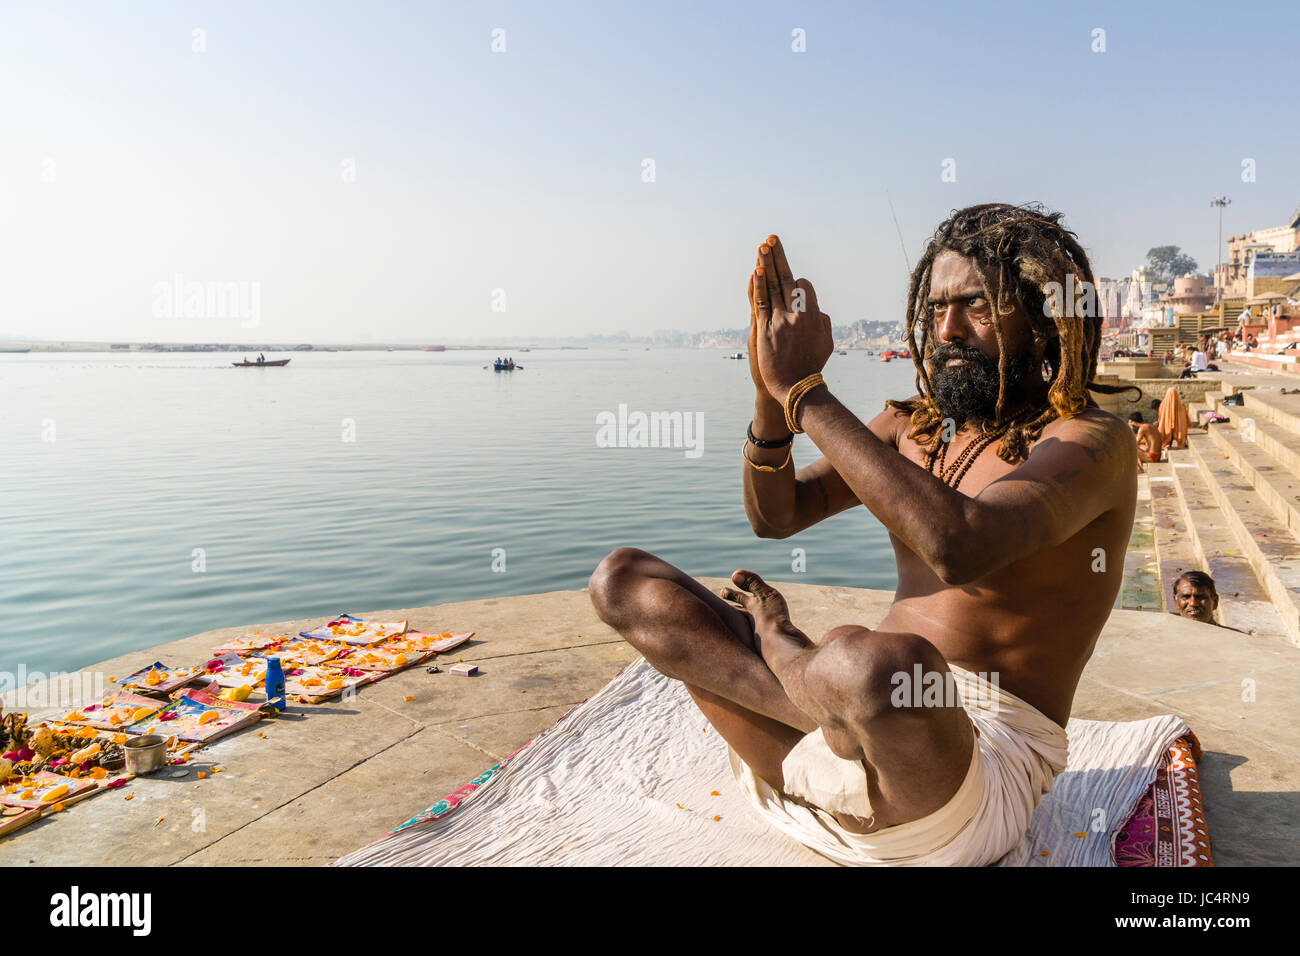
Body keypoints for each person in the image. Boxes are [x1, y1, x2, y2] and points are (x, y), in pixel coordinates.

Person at [589, 204, 1138, 866]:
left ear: (1044, 320)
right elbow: (777, 516)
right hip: (833, 746)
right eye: (935, 309)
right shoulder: (916, 429)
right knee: (625, 582)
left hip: (962, 784)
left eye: (977, 308)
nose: (947, 330)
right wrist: (771, 394)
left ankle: (791, 657)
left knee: (876, 662)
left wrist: (808, 393)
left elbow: (960, 545)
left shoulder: (1090, 443)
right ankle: (824, 714)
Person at [1171, 571, 1244, 632]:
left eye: (1200, 597)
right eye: (1186, 597)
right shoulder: (1163, 639)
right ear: (1176, 601)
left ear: (1215, 601)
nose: (1193, 603)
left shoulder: (1238, 639)